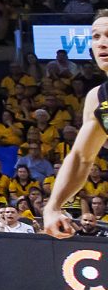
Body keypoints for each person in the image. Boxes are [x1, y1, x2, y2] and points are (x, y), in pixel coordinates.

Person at [40, 19, 108, 236]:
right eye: (96, 36)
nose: (102, 43)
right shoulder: (98, 97)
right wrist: (53, 207)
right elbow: (81, 158)